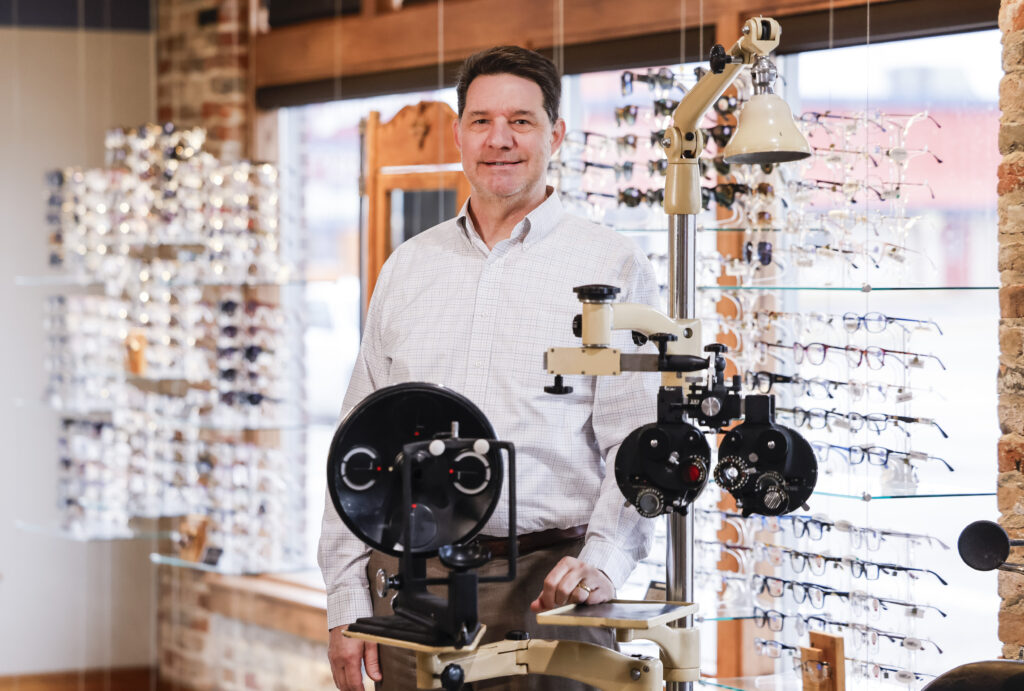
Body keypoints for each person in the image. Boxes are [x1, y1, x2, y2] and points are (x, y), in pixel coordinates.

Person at [319, 45, 661, 691]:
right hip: (407, 588)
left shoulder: (613, 266)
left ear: (556, 134)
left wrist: (602, 564)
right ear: (459, 134)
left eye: (521, 121)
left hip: (548, 588)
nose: (499, 139)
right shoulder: (407, 268)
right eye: (481, 121)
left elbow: (637, 444)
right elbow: (356, 449)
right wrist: (344, 600)